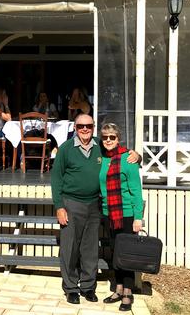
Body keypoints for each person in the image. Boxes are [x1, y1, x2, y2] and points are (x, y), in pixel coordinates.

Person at [51, 114, 140, 305]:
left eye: (89, 126)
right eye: (81, 126)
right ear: (75, 128)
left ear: (93, 127)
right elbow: (56, 179)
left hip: (94, 205)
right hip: (71, 203)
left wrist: (138, 155)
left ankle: (88, 287)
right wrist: (59, 207)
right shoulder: (66, 149)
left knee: (90, 249)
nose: (85, 129)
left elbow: (119, 149)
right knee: (70, 248)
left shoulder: (100, 144)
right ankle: (71, 288)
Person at [98, 123, 143, 312]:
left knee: (126, 255)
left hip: (126, 214)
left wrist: (138, 217)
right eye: (105, 137)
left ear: (119, 139)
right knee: (115, 253)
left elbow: (136, 190)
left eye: (112, 137)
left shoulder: (128, 159)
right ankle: (117, 289)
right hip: (108, 213)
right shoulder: (100, 157)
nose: (108, 140)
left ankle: (127, 292)